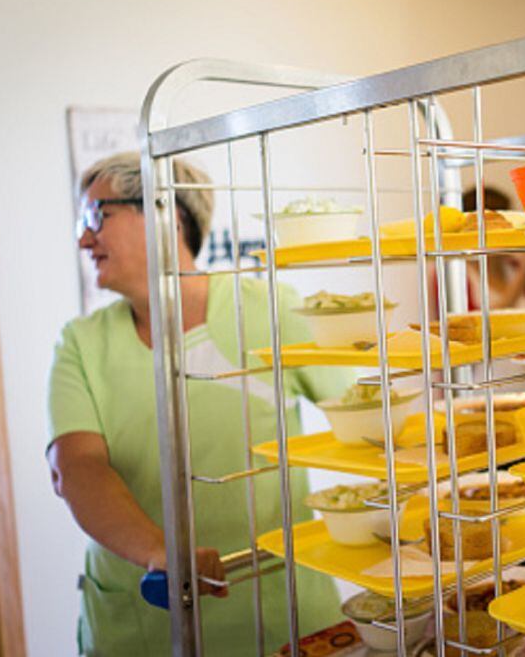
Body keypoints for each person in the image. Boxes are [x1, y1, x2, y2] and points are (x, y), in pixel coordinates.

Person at [47, 152, 348, 656]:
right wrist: (159, 553)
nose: (83, 238)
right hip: (140, 628)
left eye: (97, 216)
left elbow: (368, 421)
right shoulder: (81, 343)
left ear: (165, 213)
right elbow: (76, 468)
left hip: (280, 620)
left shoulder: (270, 312)